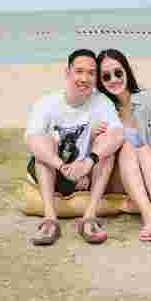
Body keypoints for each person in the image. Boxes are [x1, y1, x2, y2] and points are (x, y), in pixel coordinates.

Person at [25, 48, 124, 246]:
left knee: (106, 144)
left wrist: (89, 162)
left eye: (91, 73)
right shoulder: (47, 102)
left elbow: (117, 134)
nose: (84, 78)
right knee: (45, 142)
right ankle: (50, 220)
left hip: (86, 172)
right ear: (67, 73)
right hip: (55, 168)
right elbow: (31, 140)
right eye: (79, 71)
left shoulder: (101, 102)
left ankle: (88, 218)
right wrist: (62, 166)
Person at [96, 48, 151, 243]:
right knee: (127, 146)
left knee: (142, 147)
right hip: (119, 177)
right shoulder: (101, 107)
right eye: (106, 76)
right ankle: (149, 217)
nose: (114, 79)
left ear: (127, 71)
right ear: (100, 81)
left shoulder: (149, 98)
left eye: (118, 72)